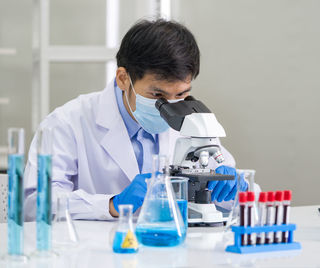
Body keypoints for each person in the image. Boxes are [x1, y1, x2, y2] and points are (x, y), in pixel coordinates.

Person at [24, 19, 255, 221]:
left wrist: (237, 190)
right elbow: (34, 206)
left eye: (181, 94)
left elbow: (242, 197)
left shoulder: (193, 122)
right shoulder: (67, 122)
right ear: (124, 78)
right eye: (157, 95)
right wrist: (112, 204)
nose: (171, 107)